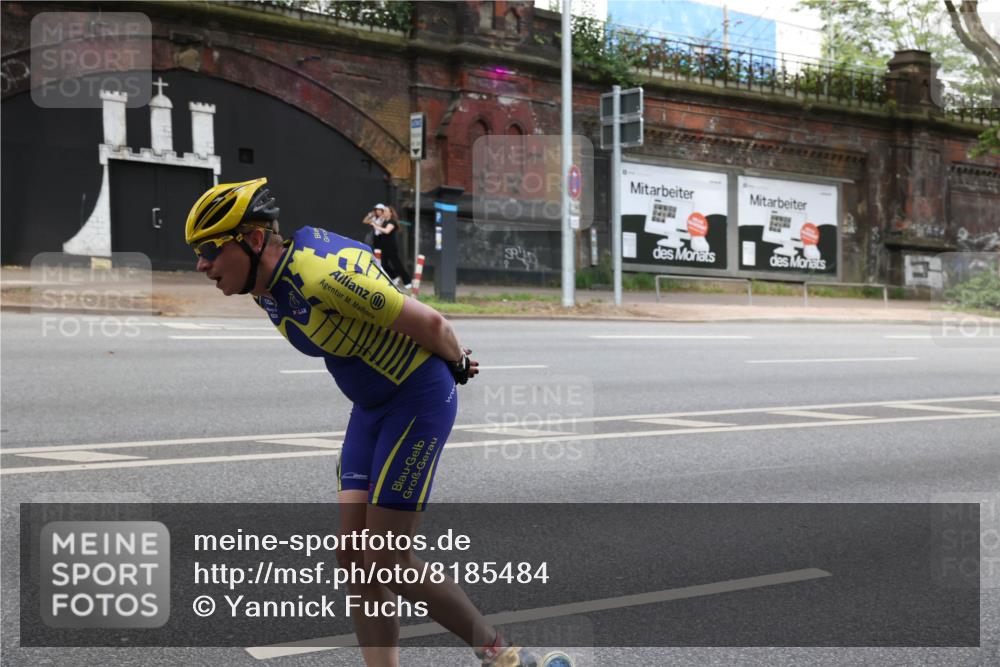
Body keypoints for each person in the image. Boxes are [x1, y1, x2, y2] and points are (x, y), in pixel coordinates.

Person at [184, 178, 555, 667]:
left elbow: (433, 324)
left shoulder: (320, 276)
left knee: (387, 560)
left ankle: (504, 655)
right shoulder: (263, 285)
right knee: (355, 561)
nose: (201, 265)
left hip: (418, 399)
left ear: (253, 241)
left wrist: (460, 362)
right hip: (371, 408)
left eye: (210, 250)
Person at [364, 203, 413, 289]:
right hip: (383, 246)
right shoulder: (384, 221)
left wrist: (375, 225)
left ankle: (408, 282)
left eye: (386, 211)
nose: (384, 212)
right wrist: (373, 220)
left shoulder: (392, 222)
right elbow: (370, 223)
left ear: (390, 213)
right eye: (384, 211)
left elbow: (386, 231)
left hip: (391, 246)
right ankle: (394, 277)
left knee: (397, 265)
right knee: (383, 264)